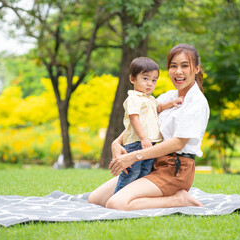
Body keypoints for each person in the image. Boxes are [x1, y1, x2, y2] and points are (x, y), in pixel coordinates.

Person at [88, 43, 210, 210]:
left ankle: (179, 200)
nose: (178, 71)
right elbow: (144, 122)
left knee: (115, 204)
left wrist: (135, 156)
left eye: (184, 66)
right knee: (96, 199)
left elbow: (178, 143)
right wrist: (116, 143)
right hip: (151, 162)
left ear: (196, 69)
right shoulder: (168, 96)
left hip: (175, 169)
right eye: (173, 66)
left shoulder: (196, 102)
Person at [114, 57, 184, 194]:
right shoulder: (134, 98)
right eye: (145, 79)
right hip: (137, 143)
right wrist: (143, 137)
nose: (150, 84)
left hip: (150, 144)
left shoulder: (150, 99)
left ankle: (135, 197)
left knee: (145, 173)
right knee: (131, 173)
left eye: (154, 80)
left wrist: (173, 103)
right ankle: (118, 197)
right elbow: (134, 118)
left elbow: (158, 108)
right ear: (132, 79)